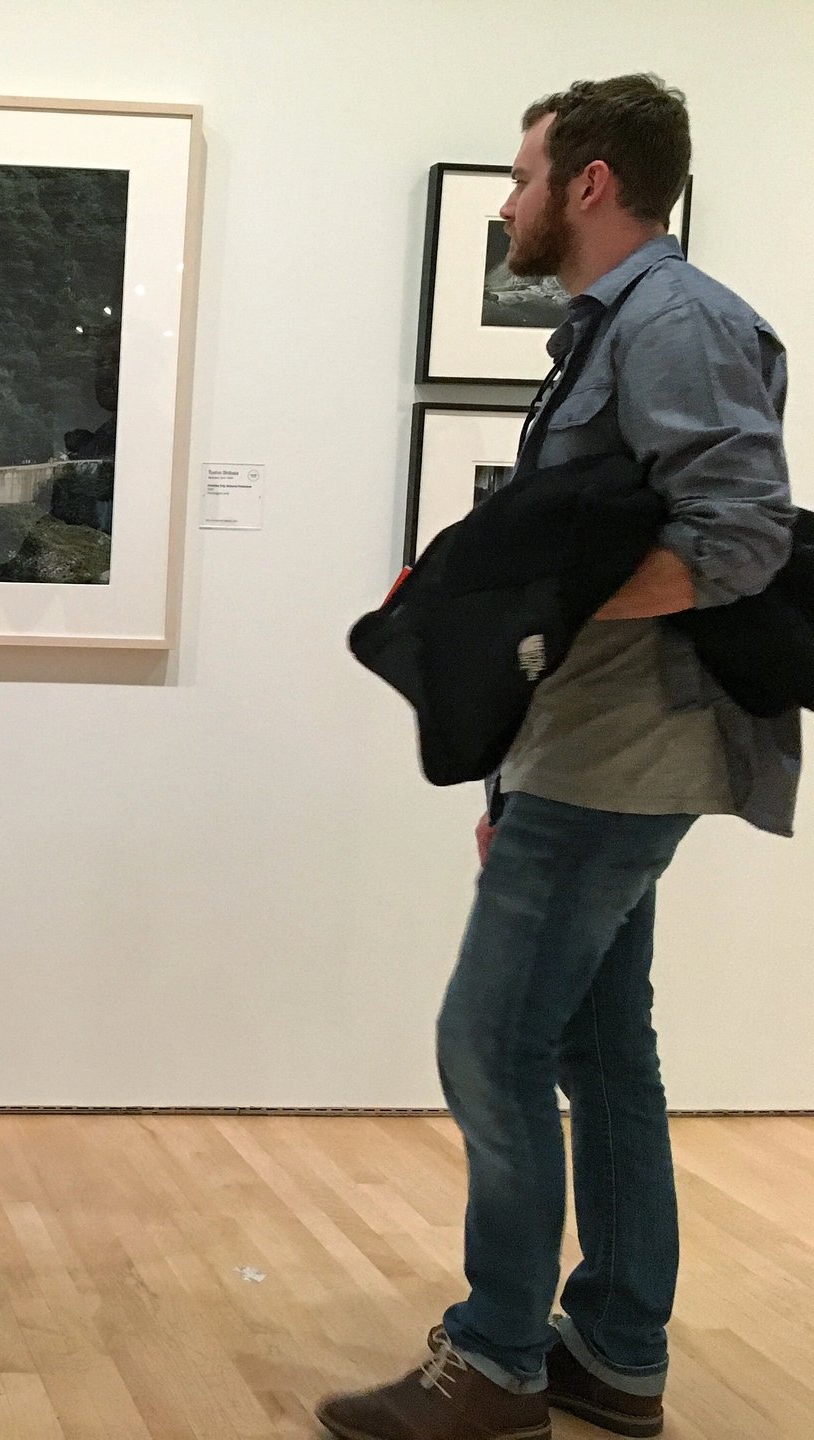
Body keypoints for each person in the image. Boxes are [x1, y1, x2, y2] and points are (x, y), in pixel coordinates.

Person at [319, 75, 793, 1440]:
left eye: (525, 178)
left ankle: (501, 1362)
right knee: (598, 1045)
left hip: (624, 754)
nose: (513, 203)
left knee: (489, 1039)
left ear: (590, 184)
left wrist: (545, 623)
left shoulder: (680, 321)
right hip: (592, 749)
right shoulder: (624, 325)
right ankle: (617, 1352)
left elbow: (740, 536)